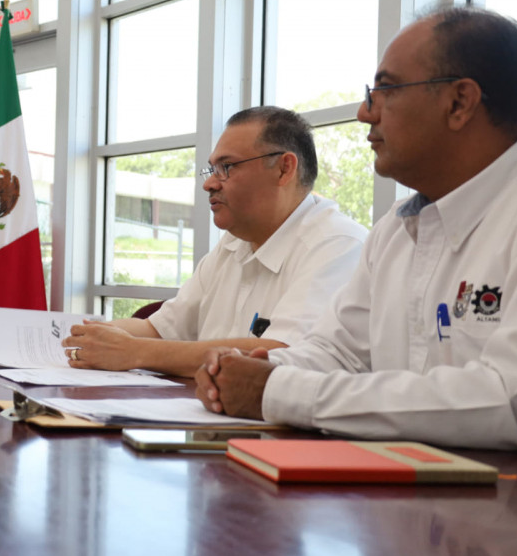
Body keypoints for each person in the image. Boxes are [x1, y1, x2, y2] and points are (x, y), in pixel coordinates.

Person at [195, 6, 517, 451]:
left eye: (384, 90)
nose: (365, 112)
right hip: (396, 485)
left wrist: (276, 390)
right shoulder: (397, 229)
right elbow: (338, 351)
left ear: (459, 102)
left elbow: (516, 400)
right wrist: (255, 368)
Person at [63, 106, 366, 377]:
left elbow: (281, 355)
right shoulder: (233, 243)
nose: (209, 183)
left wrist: (135, 352)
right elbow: (157, 329)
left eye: (227, 167)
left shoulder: (337, 244)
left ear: (284, 168)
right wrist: (86, 337)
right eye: (211, 169)